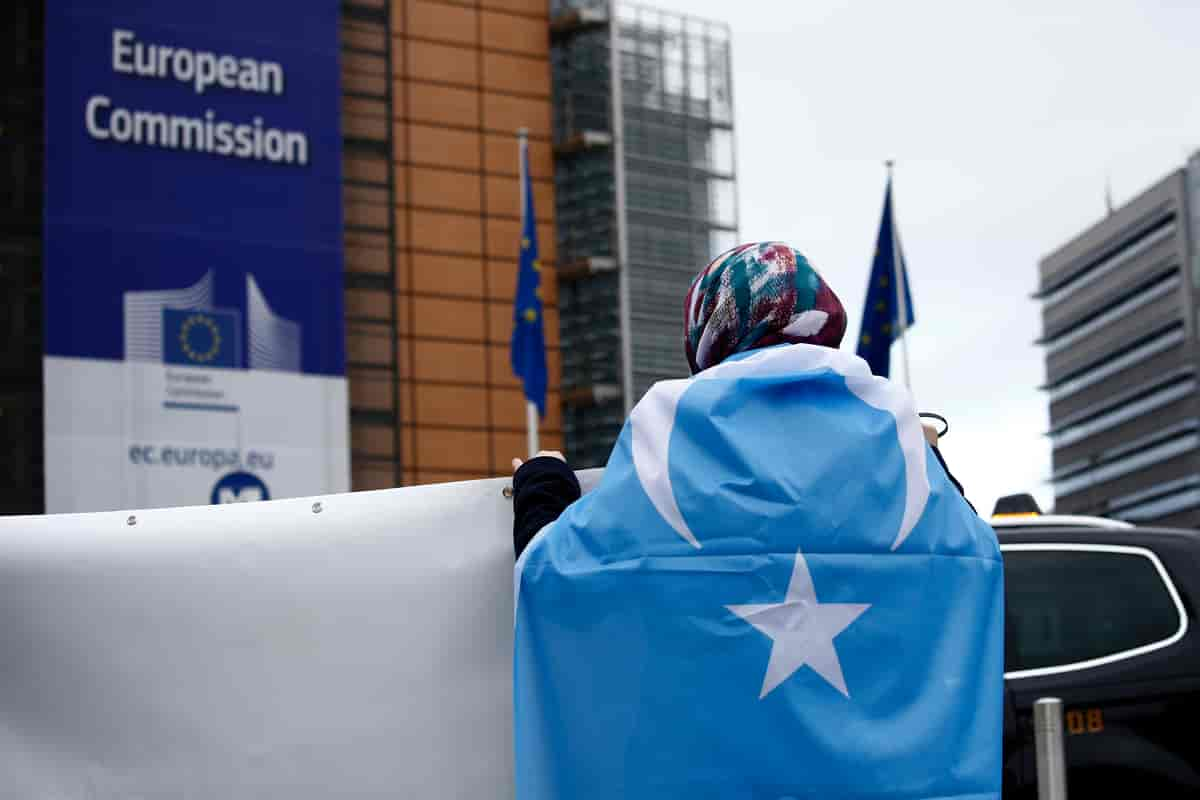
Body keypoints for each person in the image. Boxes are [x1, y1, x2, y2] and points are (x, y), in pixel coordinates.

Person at [511, 241, 970, 558]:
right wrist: (927, 458)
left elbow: (558, 577)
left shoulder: (672, 439)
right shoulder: (892, 441)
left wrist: (543, 485)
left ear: (708, 326)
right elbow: (971, 560)